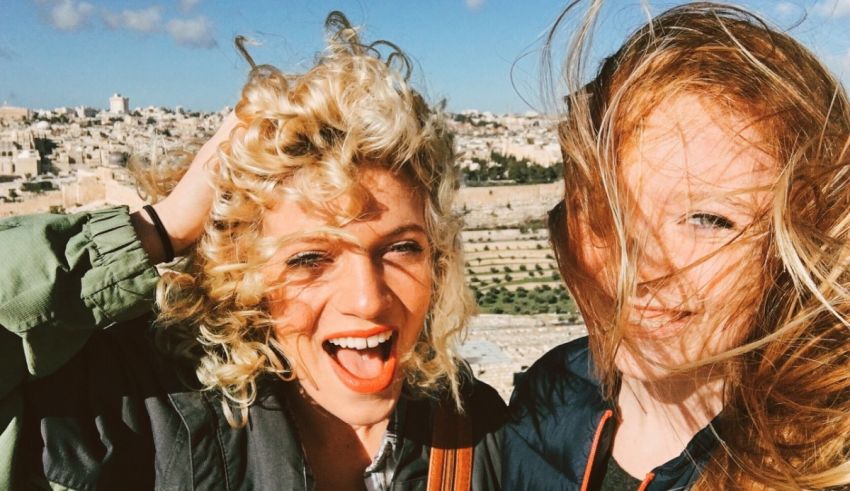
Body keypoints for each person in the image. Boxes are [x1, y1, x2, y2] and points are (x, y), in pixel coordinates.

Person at [0, 12, 504, 490]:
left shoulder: (480, 434)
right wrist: (159, 228)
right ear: (243, 278)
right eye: (310, 258)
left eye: (400, 248)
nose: (368, 300)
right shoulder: (134, 413)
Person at [503, 2, 850, 490]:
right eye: (610, 212)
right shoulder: (548, 397)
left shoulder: (824, 462)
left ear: (801, 236)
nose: (639, 268)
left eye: (707, 219)